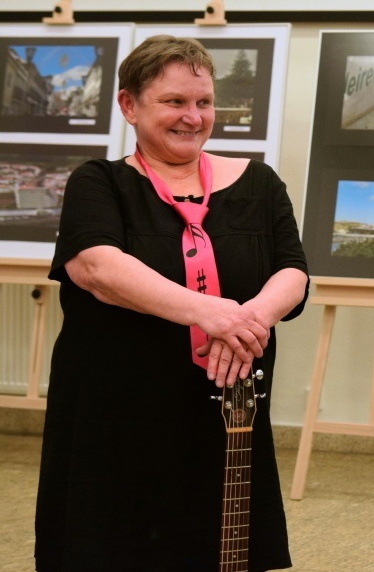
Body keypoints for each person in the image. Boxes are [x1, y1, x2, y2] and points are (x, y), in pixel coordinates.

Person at [34, 35, 310, 572]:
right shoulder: (98, 182)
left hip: (227, 411)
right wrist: (215, 314)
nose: (193, 117)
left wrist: (249, 320)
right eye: (174, 101)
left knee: (218, 545)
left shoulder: (258, 182)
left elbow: (292, 271)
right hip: (118, 418)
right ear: (129, 105)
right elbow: (98, 269)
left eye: (204, 102)